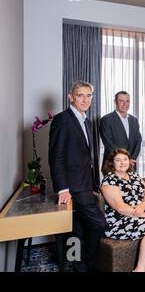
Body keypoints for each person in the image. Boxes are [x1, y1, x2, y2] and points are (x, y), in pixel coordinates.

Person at [48, 81, 106, 272]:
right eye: (80, 95)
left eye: (88, 95)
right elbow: (56, 156)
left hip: (86, 183)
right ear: (70, 97)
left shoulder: (87, 121)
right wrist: (62, 188)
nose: (85, 99)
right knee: (99, 224)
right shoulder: (62, 120)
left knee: (79, 227)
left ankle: (79, 265)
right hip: (73, 186)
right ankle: (88, 264)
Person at [100, 148, 145, 272]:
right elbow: (120, 208)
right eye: (118, 160)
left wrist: (143, 205)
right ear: (112, 163)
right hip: (120, 221)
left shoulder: (134, 175)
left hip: (139, 215)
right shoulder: (109, 180)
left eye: (125, 159)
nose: (122, 162)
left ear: (129, 161)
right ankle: (139, 269)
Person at [100, 91, 142, 169]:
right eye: (121, 101)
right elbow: (108, 143)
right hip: (113, 165)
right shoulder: (106, 119)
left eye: (127, 101)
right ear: (115, 102)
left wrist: (132, 158)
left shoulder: (134, 120)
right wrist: (124, 160)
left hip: (130, 164)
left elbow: (138, 141)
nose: (124, 104)